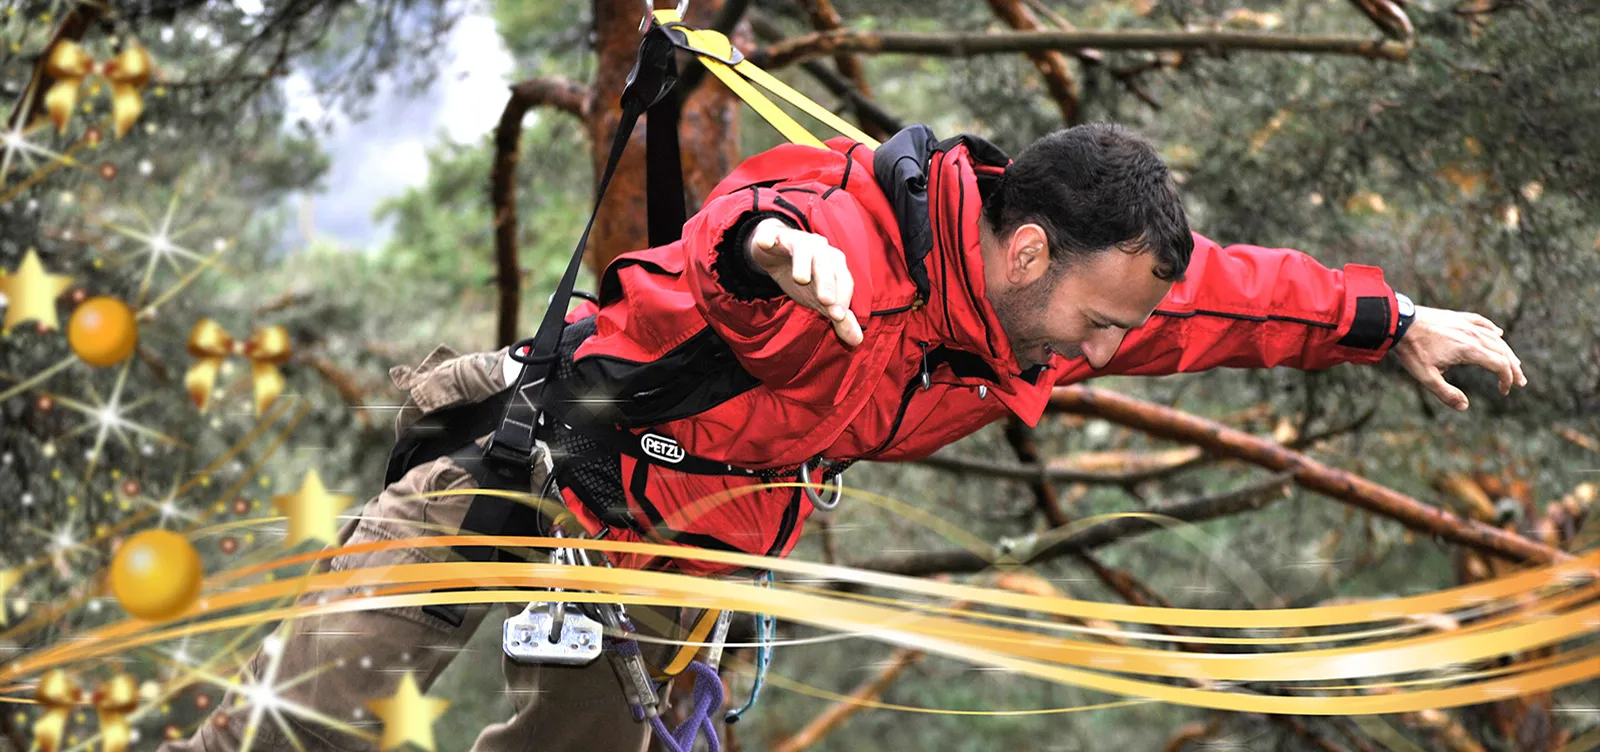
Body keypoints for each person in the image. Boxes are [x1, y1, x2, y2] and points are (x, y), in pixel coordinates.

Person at [163, 123, 1525, 752]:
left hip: (675, 563)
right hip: (530, 461)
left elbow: (1222, 298)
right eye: (1102, 325)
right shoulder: (859, 238)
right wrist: (776, 258)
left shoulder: (1055, 302)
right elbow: (745, 238)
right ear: (1028, 249)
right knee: (294, 722)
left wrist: (1387, 319)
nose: (1107, 353)